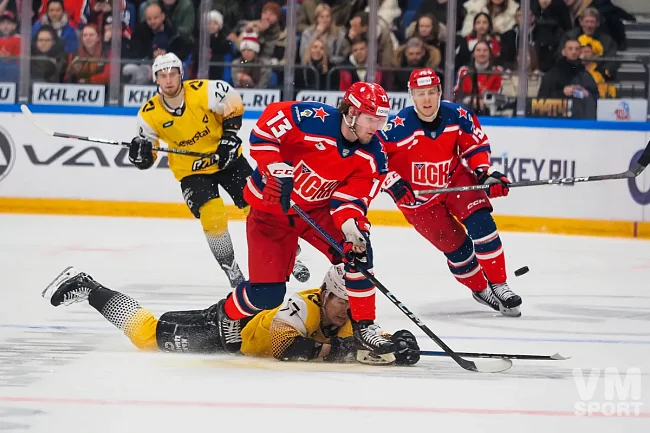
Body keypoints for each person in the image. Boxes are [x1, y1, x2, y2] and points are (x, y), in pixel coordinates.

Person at [215, 82, 399, 365]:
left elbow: (351, 199)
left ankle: (364, 326)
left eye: (381, 120)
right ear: (352, 113)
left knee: (359, 252)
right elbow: (266, 128)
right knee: (267, 296)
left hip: (315, 212)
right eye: (371, 119)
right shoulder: (313, 119)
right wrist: (276, 168)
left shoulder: (373, 155)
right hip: (271, 212)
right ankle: (227, 313)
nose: (377, 127)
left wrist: (351, 225)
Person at [128, 53, 310, 289]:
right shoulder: (148, 114)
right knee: (212, 216)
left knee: (259, 206)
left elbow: (233, 103)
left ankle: (288, 255)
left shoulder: (203, 90)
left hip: (227, 160)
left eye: (173, 73)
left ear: (181, 74)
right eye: (163, 75)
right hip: (192, 172)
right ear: (156, 79)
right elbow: (148, 156)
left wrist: (229, 137)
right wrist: (141, 157)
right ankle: (230, 267)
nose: (169, 79)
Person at [41, 264, 420, 366]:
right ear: (324, 293)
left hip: (237, 336)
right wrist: (344, 351)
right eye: (341, 302)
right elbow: (285, 347)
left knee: (157, 329)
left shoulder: (351, 316)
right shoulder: (302, 305)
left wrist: (400, 345)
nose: (347, 311)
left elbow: (374, 340)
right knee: (147, 336)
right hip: (226, 331)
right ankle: (89, 287)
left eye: (353, 304)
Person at [378, 68, 523, 317]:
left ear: (439, 92)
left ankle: (499, 284)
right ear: (412, 95)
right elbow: (373, 157)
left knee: (482, 223)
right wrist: (391, 181)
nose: (426, 99)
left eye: (431, 92)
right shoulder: (396, 126)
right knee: (459, 251)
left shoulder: (457, 115)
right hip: (417, 200)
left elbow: (474, 146)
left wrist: (484, 173)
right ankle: (481, 289)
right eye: (420, 93)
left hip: (454, 180)